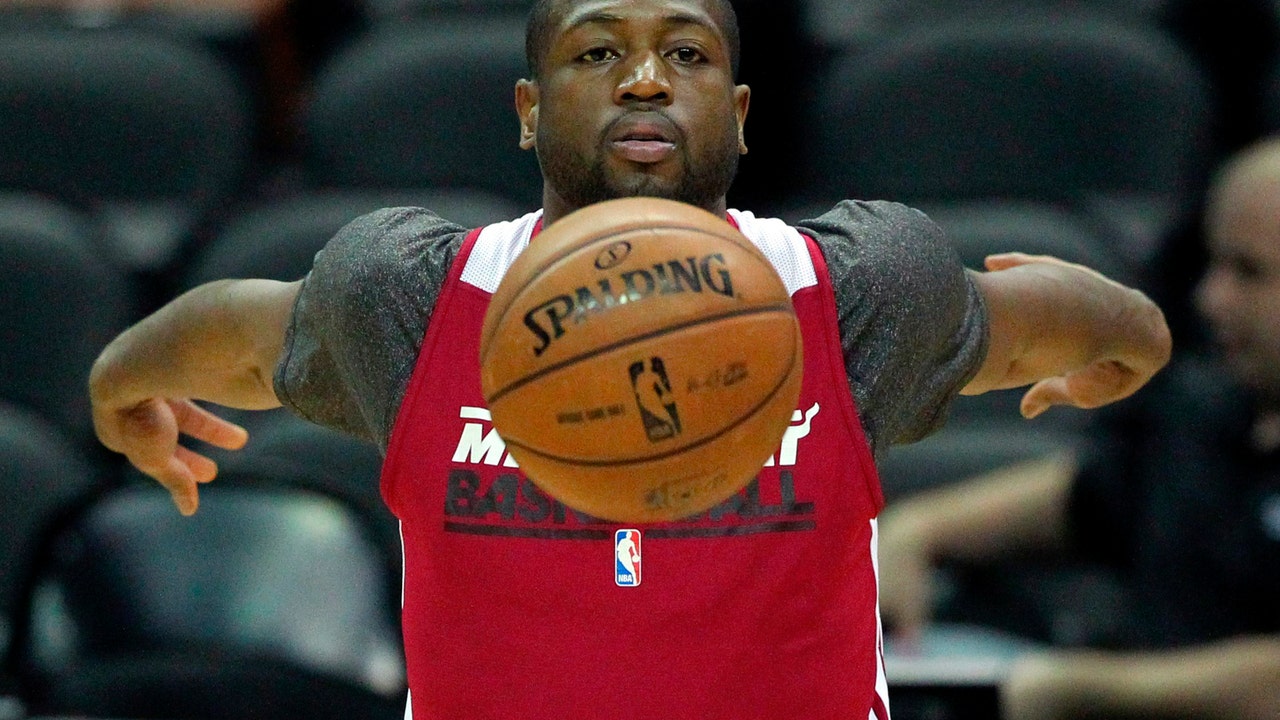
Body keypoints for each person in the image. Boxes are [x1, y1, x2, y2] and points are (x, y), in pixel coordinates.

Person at [87, 0, 1171, 717]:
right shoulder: (408, 297)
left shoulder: (852, 291)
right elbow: (246, 330)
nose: (645, 80)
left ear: (738, 116)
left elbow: (1040, 317)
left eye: (686, 54)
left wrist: (1131, 329)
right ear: (527, 111)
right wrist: (123, 378)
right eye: (597, 52)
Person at [877, 137, 1280, 720]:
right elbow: (1085, 497)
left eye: (1249, 272)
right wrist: (919, 529)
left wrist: (1085, 689)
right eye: (1214, 263)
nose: (1210, 299)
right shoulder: (1210, 412)